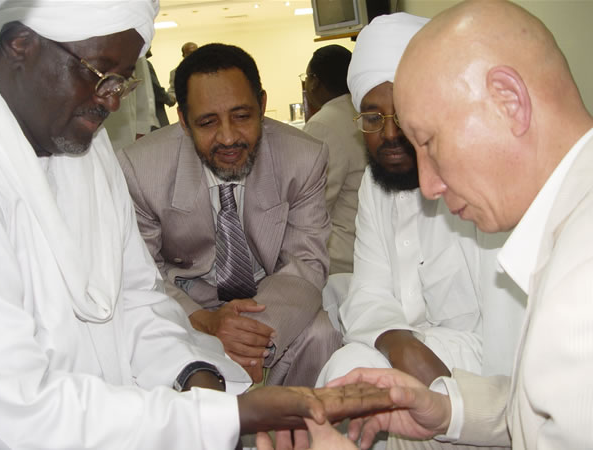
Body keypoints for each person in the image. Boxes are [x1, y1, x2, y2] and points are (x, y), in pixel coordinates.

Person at [0, 2, 396, 449]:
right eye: (98, 74)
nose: (111, 101)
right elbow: (16, 409)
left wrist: (199, 377)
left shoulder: (90, 150)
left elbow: (136, 297)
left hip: (127, 407)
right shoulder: (129, 163)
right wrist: (225, 412)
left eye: (121, 81)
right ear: (20, 45)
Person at [330, 0, 593, 449]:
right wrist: (451, 410)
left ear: (509, 102)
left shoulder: (578, 283)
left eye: (430, 141)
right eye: (375, 119)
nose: (429, 185)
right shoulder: (564, 218)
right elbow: (531, 411)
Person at [318, 12, 525, 391]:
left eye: (403, 114)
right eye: (373, 117)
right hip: (403, 343)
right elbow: (369, 291)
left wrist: (455, 397)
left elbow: (506, 333)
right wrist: (399, 342)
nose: (389, 133)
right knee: (345, 369)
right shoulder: (375, 184)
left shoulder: (481, 181)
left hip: (487, 360)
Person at [117, 43, 341, 387]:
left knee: (323, 332)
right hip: (187, 307)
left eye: (242, 116)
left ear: (262, 106)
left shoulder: (303, 158)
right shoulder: (140, 169)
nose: (228, 137)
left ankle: (296, 420)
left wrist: (249, 336)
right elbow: (142, 275)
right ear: (184, 122)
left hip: (270, 301)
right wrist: (204, 322)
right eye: (207, 122)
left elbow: (306, 263)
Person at [302, 45, 367, 275]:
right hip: (366, 242)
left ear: (314, 81)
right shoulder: (364, 110)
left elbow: (313, 204)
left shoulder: (322, 124)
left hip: (340, 255)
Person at [147, 48, 175, 128]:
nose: (150, 47)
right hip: (154, 114)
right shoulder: (144, 65)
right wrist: (170, 99)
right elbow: (156, 89)